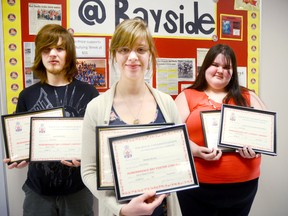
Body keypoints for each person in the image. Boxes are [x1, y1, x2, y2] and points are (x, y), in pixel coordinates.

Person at [81, 18, 182, 216]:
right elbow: (88, 171)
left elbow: (180, 159)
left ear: (150, 55)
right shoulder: (96, 108)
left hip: (161, 210)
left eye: (141, 50)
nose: (133, 57)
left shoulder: (167, 103)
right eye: (124, 49)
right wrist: (121, 209)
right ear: (114, 55)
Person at [3, 24, 99, 216]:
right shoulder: (27, 95)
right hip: (37, 193)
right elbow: (20, 138)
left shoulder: (89, 93)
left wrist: (87, 157)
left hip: (78, 192)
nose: (53, 54)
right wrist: (20, 155)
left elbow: (97, 140)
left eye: (60, 48)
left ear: (69, 54)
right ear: (40, 54)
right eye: (46, 49)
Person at [175, 44, 266, 216]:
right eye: (215, 65)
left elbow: (266, 133)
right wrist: (195, 150)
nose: (220, 70)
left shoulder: (248, 96)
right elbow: (172, 137)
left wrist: (256, 149)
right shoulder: (187, 96)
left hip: (243, 189)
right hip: (197, 188)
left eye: (226, 67)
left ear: (233, 72)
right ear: (206, 67)